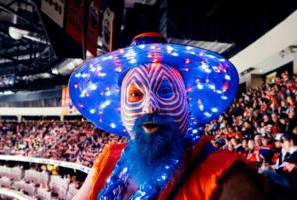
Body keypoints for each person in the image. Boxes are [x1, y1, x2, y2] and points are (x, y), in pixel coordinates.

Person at [69, 32, 266, 199]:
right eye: (135, 94)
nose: (150, 107)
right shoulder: (108, 160)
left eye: (164, 91)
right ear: (121, 109)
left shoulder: (226, 179)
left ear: (186, 104)